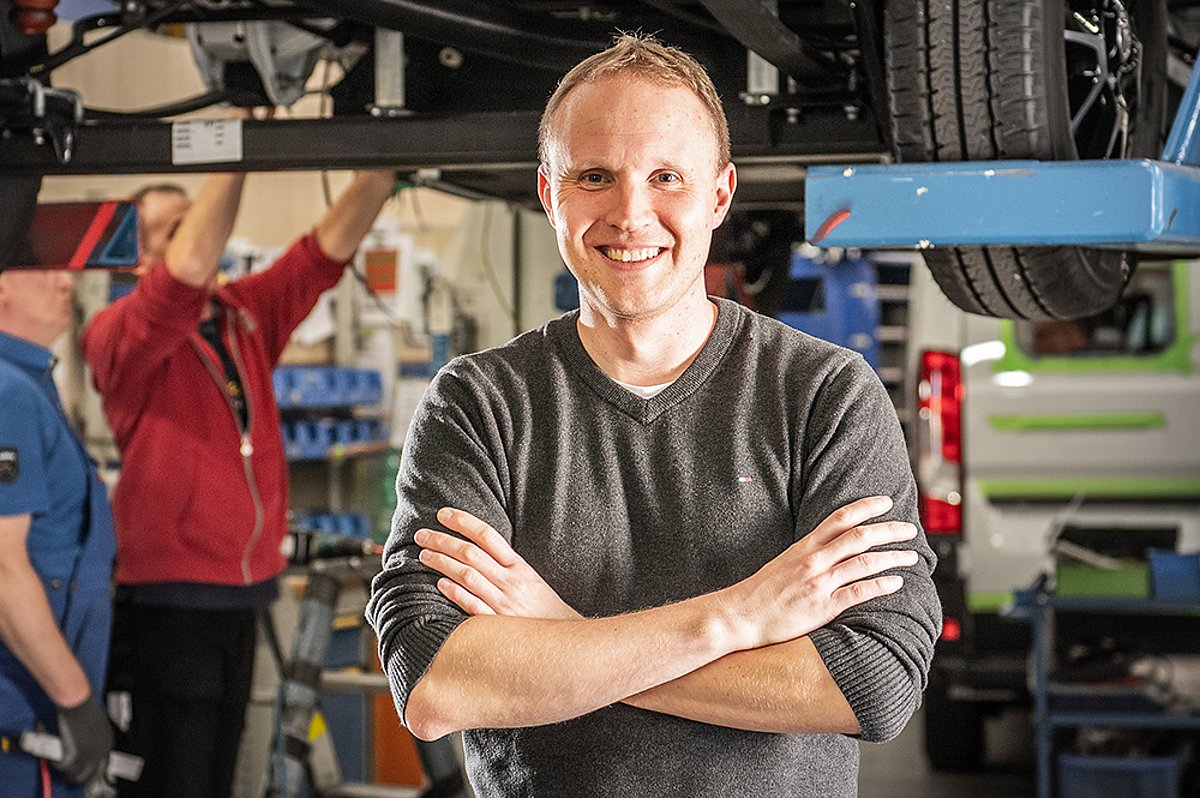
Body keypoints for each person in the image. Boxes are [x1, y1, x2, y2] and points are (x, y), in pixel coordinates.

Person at [366, 33, 940, 798]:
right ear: (549, 195)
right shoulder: (479, 405)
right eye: (594, 176)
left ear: (719, 194)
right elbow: (437, 683)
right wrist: (736, 618)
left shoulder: (823, 393)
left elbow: (871, 682)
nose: (631, 214)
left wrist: (559, 634)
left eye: (666, 176)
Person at [81, 168, 396, 798]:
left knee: (223, 779)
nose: (206, 230)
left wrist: (378, 172)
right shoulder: (119, 335)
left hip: (243, 595)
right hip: (171, 604)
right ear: (138, 255)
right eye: (178, 226)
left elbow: (319, 258)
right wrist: (240, 144)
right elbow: (182, 275)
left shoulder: (239, 317)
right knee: (176, 781)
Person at [0, 267, 116, 795]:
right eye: (43, 268)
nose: (66, 282)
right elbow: (3, 571)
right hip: (25, 716)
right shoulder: (8, 393)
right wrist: (73, 700)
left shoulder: (29, 383)